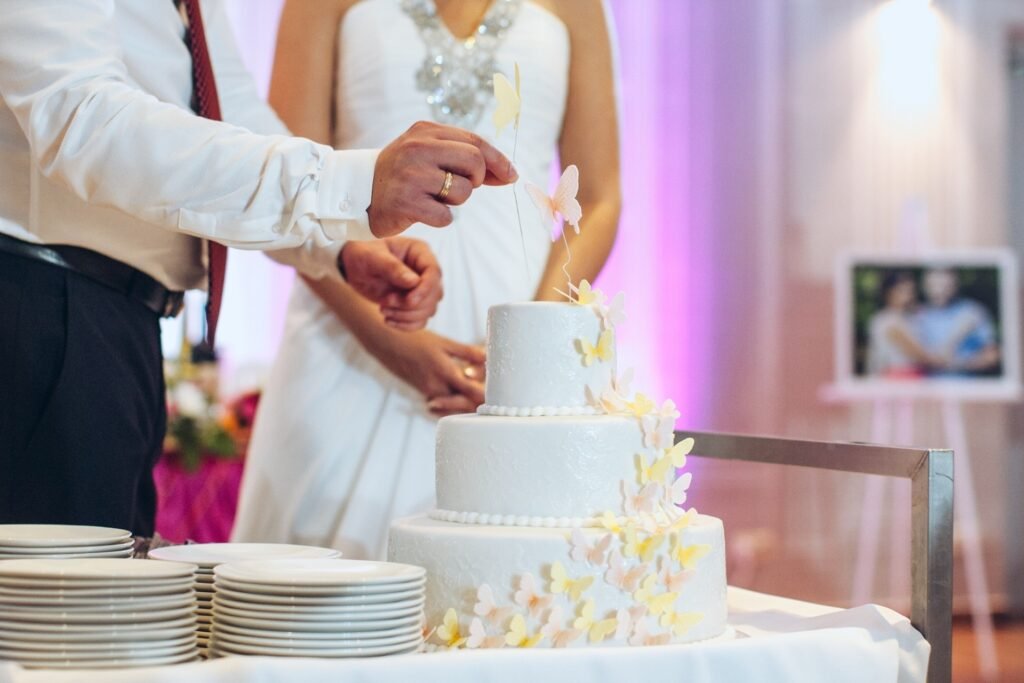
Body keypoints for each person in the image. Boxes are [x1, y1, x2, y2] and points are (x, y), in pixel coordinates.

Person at [0, 0, 516, 536]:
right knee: (58, 587)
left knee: (108, 579)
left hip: (119, 324)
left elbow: (231, 109)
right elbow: (80, 117)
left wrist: (339, 246)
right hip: (43, 313)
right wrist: (354, 184)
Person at [232, 0, 621, 559]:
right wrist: (392, 342)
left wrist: (526, 345)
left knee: (512, 579)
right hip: (351, 338)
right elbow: (288, 191)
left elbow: (600, 199)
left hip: (518, 349)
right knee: (323, 591)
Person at [915, 267, 1001, 376]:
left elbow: (993, 356)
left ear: (955, 285)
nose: (940, 291)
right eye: (934, 285)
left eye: (945, 286)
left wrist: (960, 364)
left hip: (966, 384)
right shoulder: (917, 314)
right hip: (927, 385)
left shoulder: (974, 311)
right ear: (925, 286)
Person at [865, 271, 932, 378]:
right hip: (897, 376)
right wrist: (951, 362)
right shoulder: (886, 320)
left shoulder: (910, 317)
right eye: (902, 291)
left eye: (911, 291)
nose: (909, 296)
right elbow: (917, 354)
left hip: (916, 374)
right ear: (889, 293)